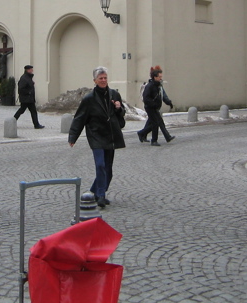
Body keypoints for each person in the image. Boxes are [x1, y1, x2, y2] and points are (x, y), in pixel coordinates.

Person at [68, 66, 126, 208]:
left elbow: (121, 114)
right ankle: (101, 195)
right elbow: (79, 118)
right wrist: (72, 137)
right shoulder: (89, 98)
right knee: (100, 165)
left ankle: (95, 191)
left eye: (105, 78)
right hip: (96, 135)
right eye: (100, 78)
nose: (103, 80)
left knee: (108, 169)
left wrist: (119, 108)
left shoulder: (114, 95)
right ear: (95, 80)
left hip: (110, 134)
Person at [137, 66, 175, 146]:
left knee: (158, 122)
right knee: (155, 123)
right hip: (150, 107)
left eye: (161, 76)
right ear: (155, 77)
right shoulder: (150, 86)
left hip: (155, 107)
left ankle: (143, 133)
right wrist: (153, 104)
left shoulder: (157, 85)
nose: (161, 78)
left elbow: (162, 96)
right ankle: (153, 140)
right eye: (159, 77)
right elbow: (146, 98)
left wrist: (168, 102)